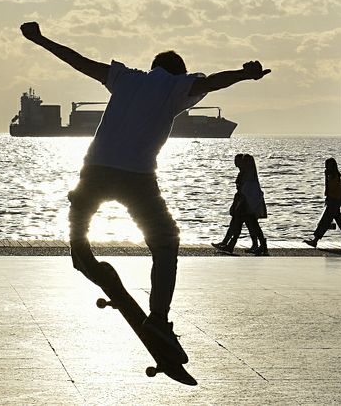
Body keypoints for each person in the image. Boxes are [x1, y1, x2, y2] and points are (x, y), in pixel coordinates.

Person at [21, 20, 271, 351]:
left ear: (153, 67)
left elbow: (79, 61)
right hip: (137, 178)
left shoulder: (126, 78)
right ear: (179, 73)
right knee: (166, 245)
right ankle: (158, 319)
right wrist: (245, 73)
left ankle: (86, 261)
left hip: (92, 172)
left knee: (80, 246)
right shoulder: (178, 86)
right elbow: (213, 81)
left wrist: (41, 39)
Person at [211, 154, 268, 255]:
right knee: (243, 225)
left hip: (245, 204)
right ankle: (230, 244)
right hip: (244, 203)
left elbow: (244, 190)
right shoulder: (248, 174)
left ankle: (231, 244)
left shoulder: (247, 175)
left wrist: (238, 204)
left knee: (247, 225)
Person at [303, 158, 341, 249]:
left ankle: (315, 240)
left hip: (333, 201)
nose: (326, 167)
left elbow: (331, 190)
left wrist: (330, 198)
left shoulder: (334, 176)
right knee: (339, 222)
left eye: (327, 165)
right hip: (333, 201)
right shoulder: (332, 175)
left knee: (325, 221)